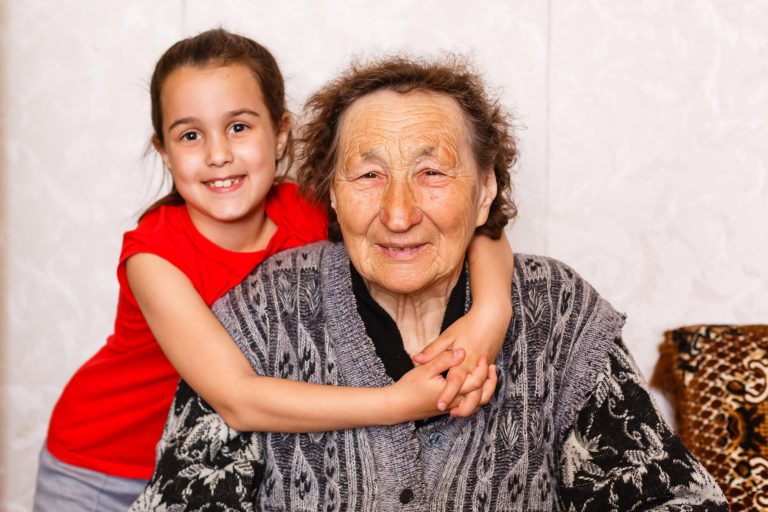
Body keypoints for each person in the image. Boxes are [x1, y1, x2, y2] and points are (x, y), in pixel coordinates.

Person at [131, 55, 729, 510]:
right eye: (367, 175)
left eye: (432, 172)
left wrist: (494, 311)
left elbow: (666, 494)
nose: (398, 212)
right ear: (331, 196)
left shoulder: (556, 311)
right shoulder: (262, 312)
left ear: (485, 190)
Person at [33, 30, 515, 511]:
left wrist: (490, 315)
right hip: (102, 468)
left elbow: (481, 226)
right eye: (190, 135)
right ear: (163, 152)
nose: (218, 153)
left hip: (223, 462)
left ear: (281, 132)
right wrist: (397, 403)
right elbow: (237, 400)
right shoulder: (153, 255)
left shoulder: (307, 211)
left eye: (238, 127)